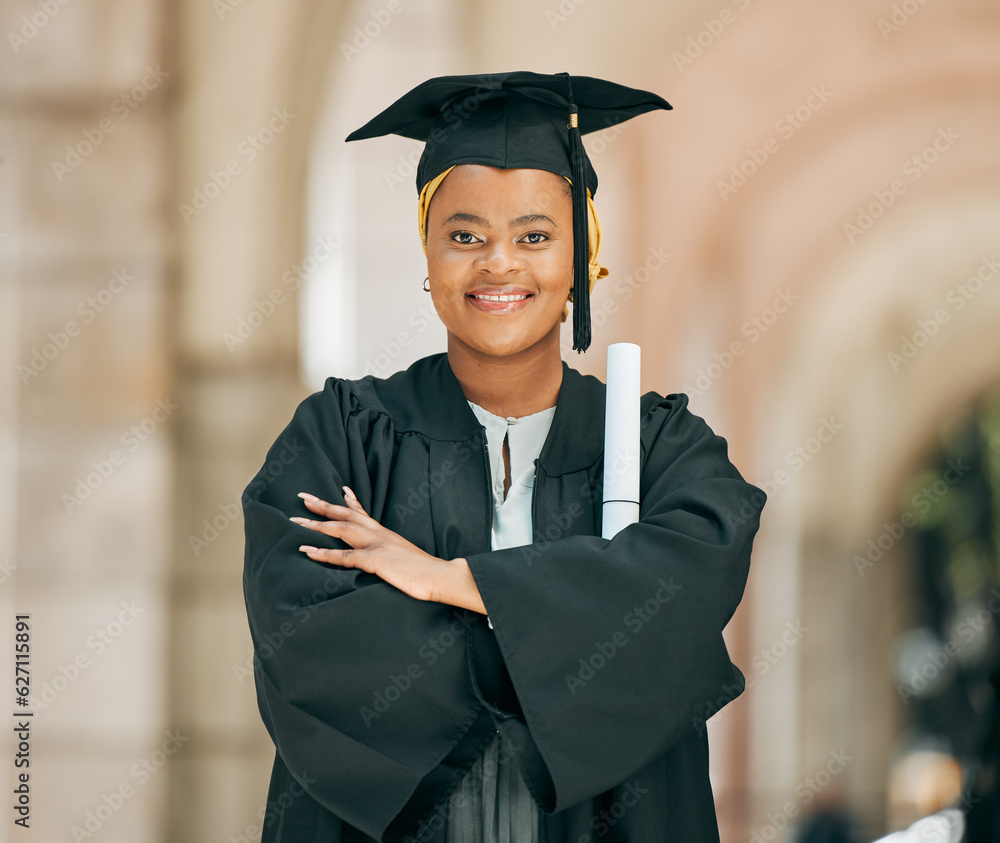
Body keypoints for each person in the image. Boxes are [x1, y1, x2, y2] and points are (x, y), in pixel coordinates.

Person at [242, 71, 766, 843]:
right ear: (427, 254)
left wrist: (449, 580)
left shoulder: (664, 449)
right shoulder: (339, 436)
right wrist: (569, 634)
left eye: (534, 235)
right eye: (464, 235)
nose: (498, 264)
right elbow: (308, 646)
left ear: (584, 254)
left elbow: (688, 590)